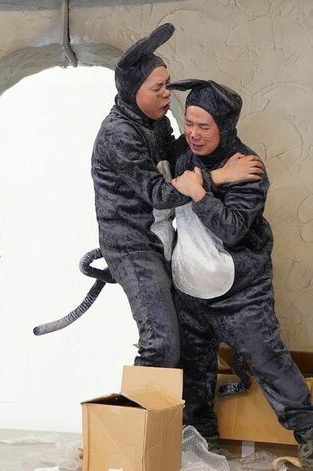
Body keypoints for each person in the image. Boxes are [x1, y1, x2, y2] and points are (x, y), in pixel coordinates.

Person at [90, 23, 262, 366]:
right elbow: (159, 193)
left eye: (167, 85)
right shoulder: (119, 134)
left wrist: (212, 132)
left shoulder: (156, 122)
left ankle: (182, 403)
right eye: (158, 88)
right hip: (133, 247)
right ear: (133, 91)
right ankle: (138, 404)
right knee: (161, 344)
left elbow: (176, 159)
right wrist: (221, 175)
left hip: (160, 239)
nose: (167, 94)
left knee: (187, 339)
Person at [169, 79, 313, 467]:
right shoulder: (181, 152)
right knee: (193, 369)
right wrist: (213, 179)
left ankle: (309, 435)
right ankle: (201, 441)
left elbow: (232, 229)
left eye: (204, 127)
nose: (194, 134)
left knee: (267, 359)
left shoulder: (249, 167)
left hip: (241, 292)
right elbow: (158, 191)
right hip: (189, 287)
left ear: (225, 125)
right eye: (189, 123)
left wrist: (200, 192)